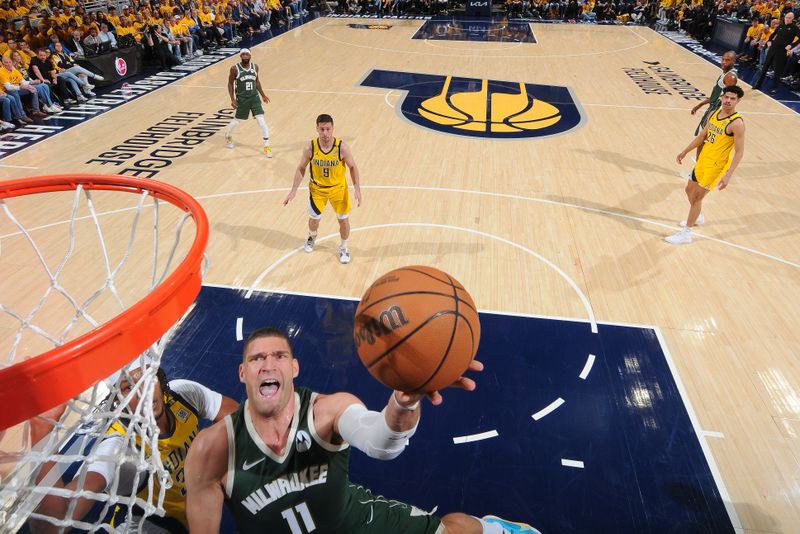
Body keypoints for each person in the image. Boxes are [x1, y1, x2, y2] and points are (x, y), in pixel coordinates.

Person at [184, 327, 540, 534]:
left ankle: (494, 528)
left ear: (293, 368)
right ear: (242, 373)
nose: (267, 365)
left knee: (452, 531)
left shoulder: (328, 409)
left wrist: (404, 402)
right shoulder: (212, 450)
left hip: (354, 522)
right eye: (256, 359)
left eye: (278, 356)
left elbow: (381, 442)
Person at [29, 360, 239, 534]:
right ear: (118, 399)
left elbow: (241, 420)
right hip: (154, 526)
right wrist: (42, 432)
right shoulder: (119, 447)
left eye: (148, 379)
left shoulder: (181, 394)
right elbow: (50, 526)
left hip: (198, 510)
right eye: (129, 387)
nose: (144, 393)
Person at [666, 85, 746, 245]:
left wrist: (728, 175)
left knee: (696, 197)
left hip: (716, 166)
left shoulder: (737, 123)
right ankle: (698, 216)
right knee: (689, 190)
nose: (728, 101)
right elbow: (702, 136)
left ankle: (686, 234)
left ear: (738, 101)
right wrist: (685, 151)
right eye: (726, 97)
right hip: (703, 160)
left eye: (732, 99)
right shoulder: (714, 113)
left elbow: (739, 152)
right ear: (722, 97)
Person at [282, 114, 362, 264]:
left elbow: (353, 167)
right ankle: (312, 236)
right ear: (317, 129)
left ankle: (344, 247)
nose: (325, 133)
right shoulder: (310, 147)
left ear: (333, 129)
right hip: (317, 190)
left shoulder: (341, 147)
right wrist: (293, 190)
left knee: (343, 221)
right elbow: (301, 168)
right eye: (322, 129)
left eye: (328, 129)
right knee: (314, 220)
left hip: (338, 189)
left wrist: (357, 188)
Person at [224, 48, 272, 157]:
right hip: (242, 99)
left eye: (247, 54)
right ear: (240, 56)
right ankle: (227, 136)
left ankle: (267, 146)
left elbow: (257, 81)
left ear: (250, 56)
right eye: (243, 54)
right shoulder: (234, 69)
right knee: (237, 121)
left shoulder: (255, 67)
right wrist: (232, 98)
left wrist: (263, 95)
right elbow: (230, 84)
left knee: (262, 123)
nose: (245, 56)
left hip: (254, 98)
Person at [752, 11, 800, 94]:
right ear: (784, 17)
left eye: (790, 18)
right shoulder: (781, 25)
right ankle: (758, 84)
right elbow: (773, 34)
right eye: (787, 17)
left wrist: (791, 46)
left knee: (777, 70)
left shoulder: (794, 28)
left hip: (782, 51)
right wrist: (769, 41)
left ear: (792, 19)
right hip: (773, 48)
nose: (788, 19)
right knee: (765, 67)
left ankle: (774, 88)